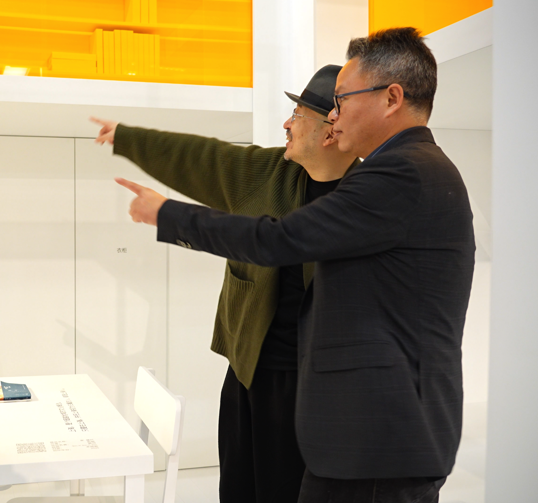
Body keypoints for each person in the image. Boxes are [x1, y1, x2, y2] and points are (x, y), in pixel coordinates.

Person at [116, 27, 475, 503]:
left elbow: (280, 239)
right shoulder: (409, 168)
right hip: (358, 427)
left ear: (391, 98)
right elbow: (211, 163)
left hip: (377, 438)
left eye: (342, 101)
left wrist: (166, 214)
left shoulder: (401, 173)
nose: (335, 114)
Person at [93, 64, 359, 503]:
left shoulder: (365, 194)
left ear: (331, 131)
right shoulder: (268, 171)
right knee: (238, 488)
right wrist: (129, 138)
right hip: (247, 370)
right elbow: (204, 158)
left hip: (318, 386)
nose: (287, 123)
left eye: (298, 116)